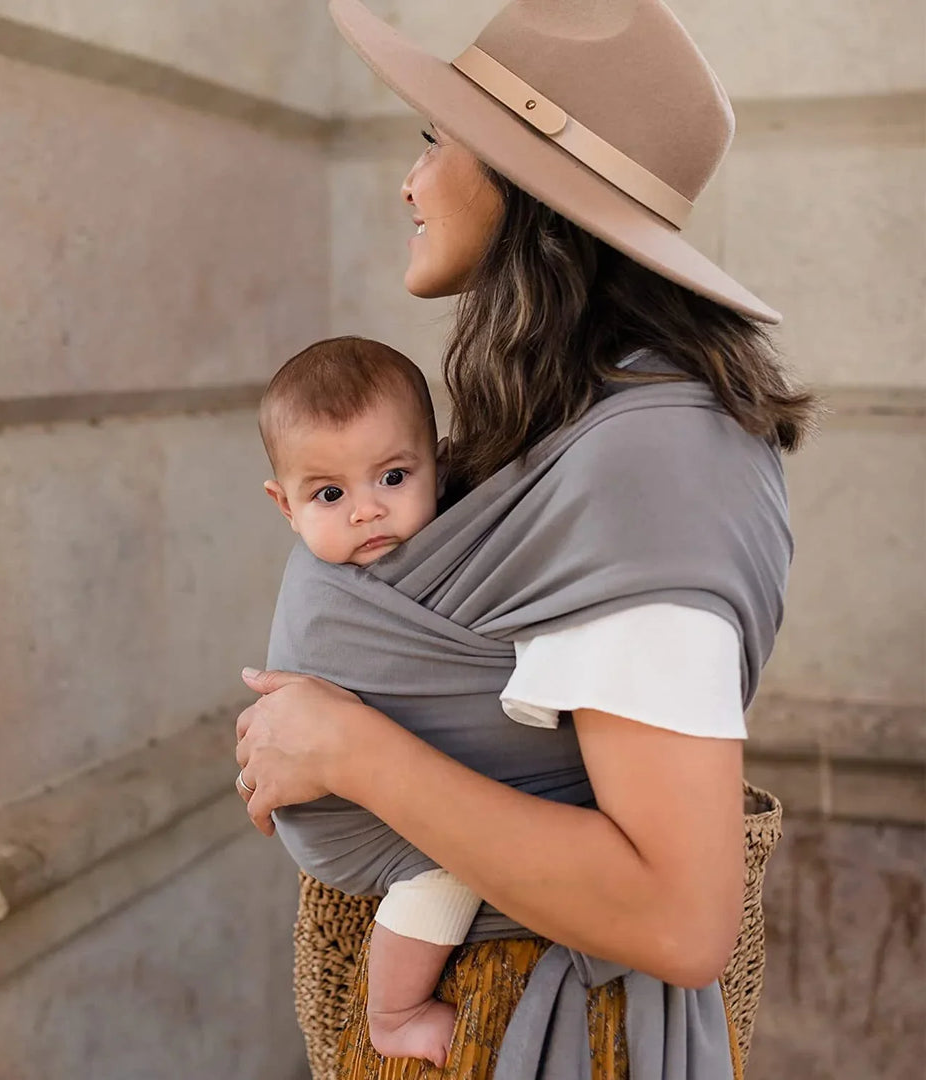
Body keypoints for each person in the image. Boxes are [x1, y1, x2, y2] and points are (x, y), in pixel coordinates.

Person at [236, 1, 817, 1077]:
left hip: (534, 1032)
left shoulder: (653, 467)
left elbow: (683, 917)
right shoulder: (571, 427)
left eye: (434, 140)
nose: (408, 184)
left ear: (523, 187)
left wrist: (347, 749)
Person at [255, 335, 477, 1065]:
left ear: (437, 467)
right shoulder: (327, 602)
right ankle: (396, 1011)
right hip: (346, 820)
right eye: (329, 494)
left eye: (391, 476)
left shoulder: (440, 552)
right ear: (284, 506)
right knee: (452, 869)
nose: (366, 512)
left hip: (367, 775)